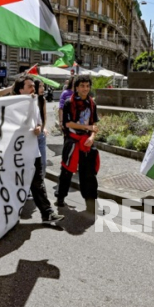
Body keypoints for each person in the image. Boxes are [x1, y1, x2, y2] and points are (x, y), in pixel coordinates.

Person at [14, 75, 63, 224]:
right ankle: (9, 215)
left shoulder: (34, 103)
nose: (33, 89)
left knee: (38, 181)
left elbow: (39, 122)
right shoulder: (12, 105)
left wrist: (38, 128)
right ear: (21, 89)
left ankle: (47, 213)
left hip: (32, 149)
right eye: (29, 86)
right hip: (16, 152)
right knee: (14, 181)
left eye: (33, 86)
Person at [56, 75, 100, 214]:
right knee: (67, 171)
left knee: (89, 175)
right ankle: (61, 197)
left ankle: (91, 205)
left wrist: (92, 137)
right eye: (82, 86)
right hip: (72, 141)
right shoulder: (69, 103)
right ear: (76, 87)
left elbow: (94, 125)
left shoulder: (92, 104)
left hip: (86, 143)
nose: (85, 89)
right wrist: (87, 129)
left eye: (87, 86)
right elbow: (68, 124)